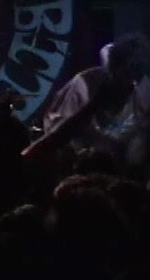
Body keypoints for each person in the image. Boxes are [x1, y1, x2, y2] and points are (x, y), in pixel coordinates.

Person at [24, 32, 150, 181]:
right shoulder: (83, 86)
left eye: (135, 78)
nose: (128, 86)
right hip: (72, 173)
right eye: (124, 76)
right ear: (113, 70)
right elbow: (58, 133)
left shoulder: (141, 95)